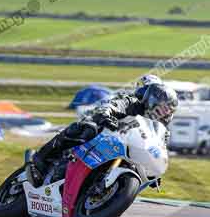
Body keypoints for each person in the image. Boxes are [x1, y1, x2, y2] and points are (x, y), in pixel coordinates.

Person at [26, 77, 178, 186]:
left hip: (128, 151)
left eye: (165, 111)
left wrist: (154, 171)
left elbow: (159, 149)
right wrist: (106, 114)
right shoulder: (131, 102)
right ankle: (40, 159)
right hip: (107, 135)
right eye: (160, 108)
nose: (160, 113)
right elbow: (114, 105)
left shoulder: (161, 131)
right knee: (85, 127)